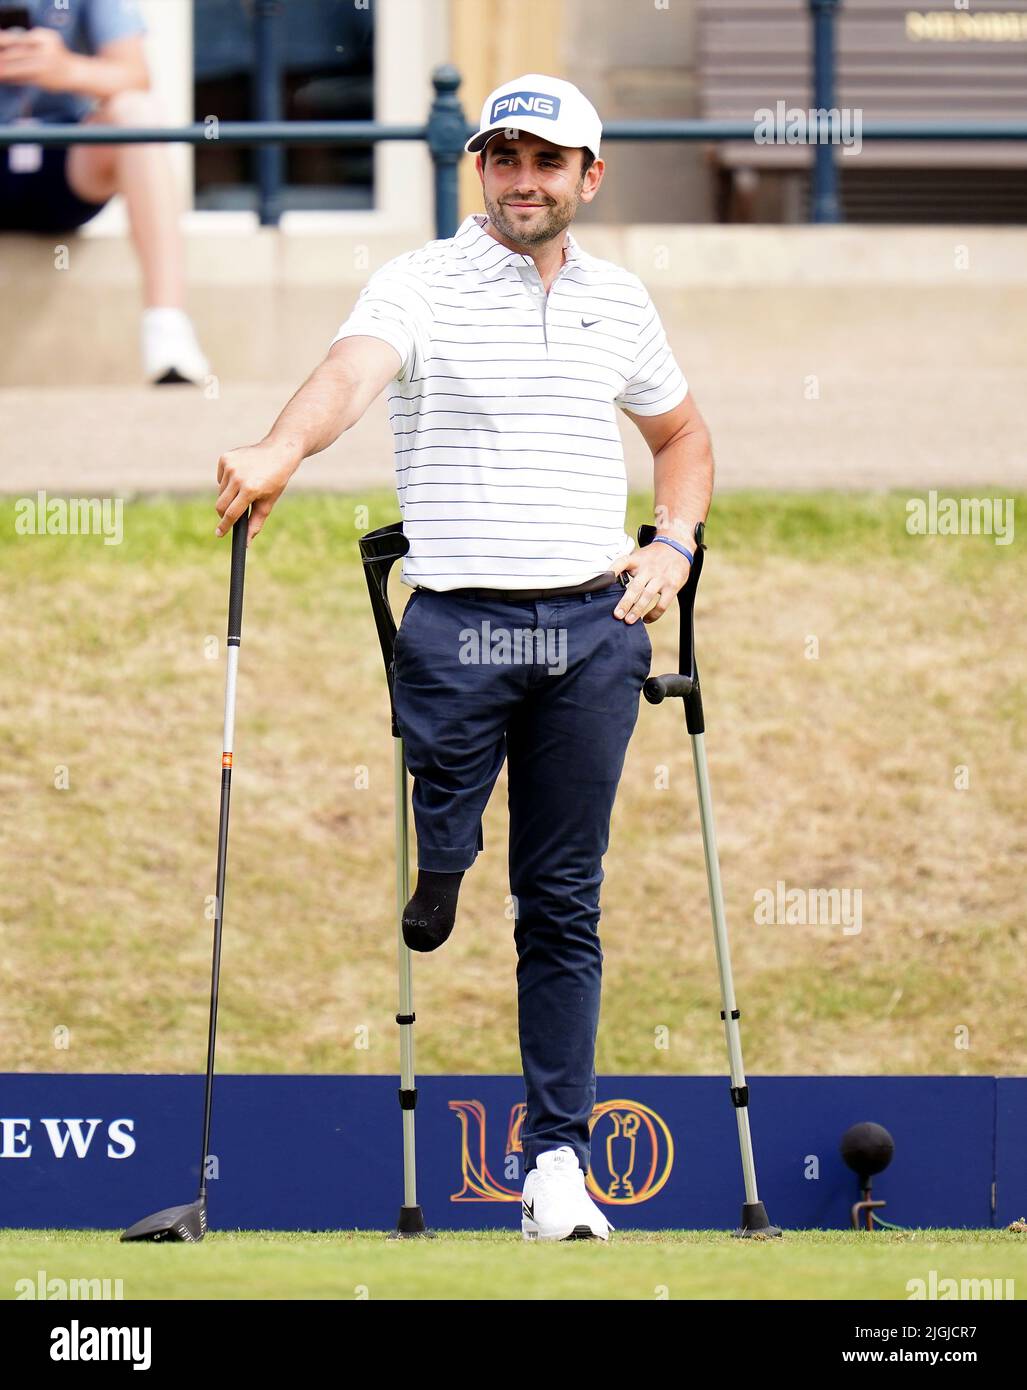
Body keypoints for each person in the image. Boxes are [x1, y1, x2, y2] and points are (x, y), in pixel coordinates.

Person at [213, 73, 714, 1242]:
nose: (521, 180)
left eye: (546, 162)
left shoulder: (620, 301)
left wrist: (673, 542)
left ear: (590, 176)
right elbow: (352, 370)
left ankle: (555, 1168)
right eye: (501, 158)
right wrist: (284, 445)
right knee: (454, 811)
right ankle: (444, 853)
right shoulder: (420, 280)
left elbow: (682, 433)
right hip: (460, 622)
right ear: (476, 169)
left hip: (595, 627)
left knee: (562, 899)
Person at [0, 0, 210, 383]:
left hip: (63, 166)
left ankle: (167, 327)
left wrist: (65, 69)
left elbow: (135, 76)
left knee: (137, 111)